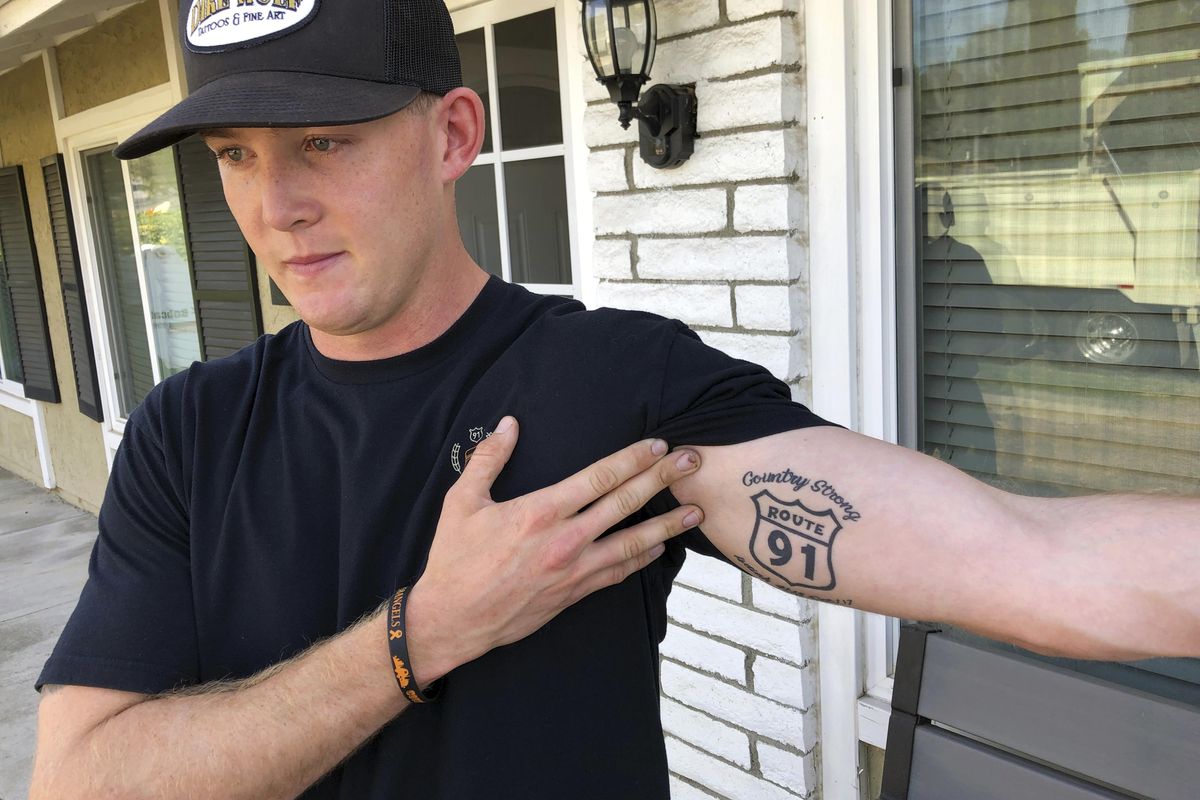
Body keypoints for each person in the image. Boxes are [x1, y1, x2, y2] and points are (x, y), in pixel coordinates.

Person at [29, 1, 1200, 798]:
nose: (273, 203)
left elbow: (1034, 557)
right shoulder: (187, 430)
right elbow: (84, 777)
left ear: (452, 134)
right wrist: (424, 630)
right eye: (235, 152)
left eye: (323, 141)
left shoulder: (612, 386)